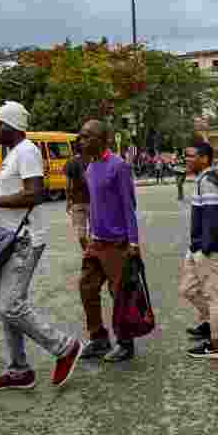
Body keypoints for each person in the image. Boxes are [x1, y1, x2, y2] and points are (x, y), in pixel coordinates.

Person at [0, 101, 82, 389]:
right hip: (9, 238)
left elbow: (34, 194)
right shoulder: (14, 153)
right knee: (7, 306)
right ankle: (18, 370)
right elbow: (14, 191)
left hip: (24, 239)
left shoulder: (27, 151)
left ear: (11, 126)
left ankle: (65, 347)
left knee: (10, 306)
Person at [77, 120, 141, 362]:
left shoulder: (119, 166)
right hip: (96, 242)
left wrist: (133, 243)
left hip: (117, 243)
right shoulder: (90, 167)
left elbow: (129, 206)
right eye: (81, 136)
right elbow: (95, 204)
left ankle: (125, 343)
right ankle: (99, 339)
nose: (82, 141)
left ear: (102, 139)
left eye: (87, 136)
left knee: (119, 295)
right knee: (86, 287)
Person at [179, 141, 218, 359]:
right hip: (199, 248)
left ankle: (217, 345)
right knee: (188, 289)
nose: (187, 159)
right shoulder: (204, 179)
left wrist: (205, 249)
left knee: (214, 297)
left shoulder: (208, 182)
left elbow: (212, 219)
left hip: (210, 250)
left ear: (204, 159)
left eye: (191, 156)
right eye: (186, 156)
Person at [65, 143, 91, 251]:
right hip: (93, 200)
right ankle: (92, 252)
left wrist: (68, 201)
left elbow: (68, 185)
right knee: (94, 230)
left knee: (81, 231)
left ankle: (86, 252)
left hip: (77, 201)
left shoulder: (70, 162)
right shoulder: (93, 160)